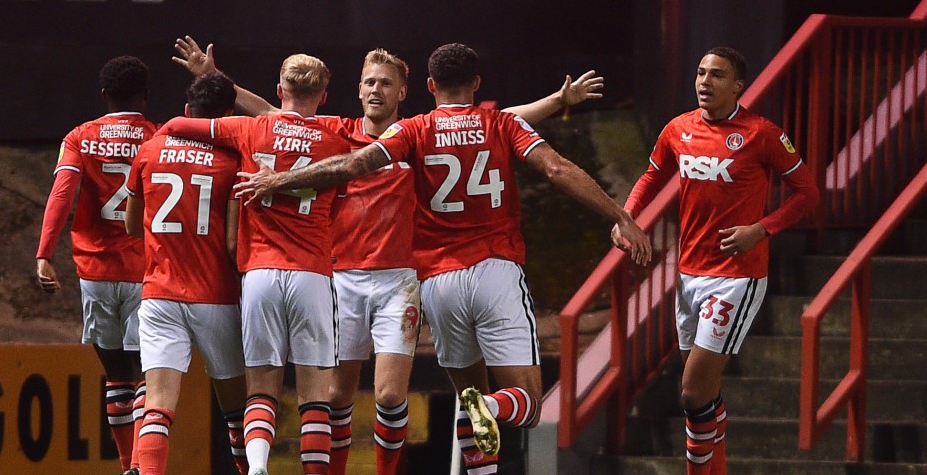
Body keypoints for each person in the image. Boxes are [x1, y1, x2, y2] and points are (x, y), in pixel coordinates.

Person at [172, 35, 607, 475]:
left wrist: (557, 99)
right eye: (369, 82)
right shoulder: (338, 133)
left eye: (385, 83)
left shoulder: (418, 135)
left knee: (388, 396)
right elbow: (273, 115)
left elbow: (495, 120)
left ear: (403, 92)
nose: (375, 89)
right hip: (342, 278)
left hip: (400, 282)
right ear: (359, 90)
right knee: (339, 396)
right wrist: (213, 77)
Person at [612, 47, 820, 474]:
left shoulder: (762, 134)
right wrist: (627, 216)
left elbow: (807, 193)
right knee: (702, 399)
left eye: (718, 75)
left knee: (691, 393)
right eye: (702, 73)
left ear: (738, 86)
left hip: (736, 277)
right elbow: (652, 175)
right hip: (689, 273)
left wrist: (760, 230)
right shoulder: (678, 128)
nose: (705, 82)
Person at [157, 54, 350, 475]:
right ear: (324, 96)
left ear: (280, 91)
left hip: (259, 273)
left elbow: (176, 126)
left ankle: (259, 466)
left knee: (262, 389)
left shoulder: (250, 128)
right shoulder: (337, 140)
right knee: (315, 397)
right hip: (312, 273)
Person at [35, 55, 157, 475]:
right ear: (144, 96)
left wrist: (44, 254)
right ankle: (143, 465)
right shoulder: (159, 137)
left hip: (96, 274)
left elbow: (62, 195)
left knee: (117, 375)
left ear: (105, 96)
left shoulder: (80, 137)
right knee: (147, 376)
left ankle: (128, 465)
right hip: (146, 273)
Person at [123, 72, 249, 475]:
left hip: (159, 293)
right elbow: (234, 242)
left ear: (186, 111)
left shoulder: (150, 149)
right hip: (216, 295)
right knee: (238, 410)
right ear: (227, 117)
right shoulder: (233, 160)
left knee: (158, 404)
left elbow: (130, 225)